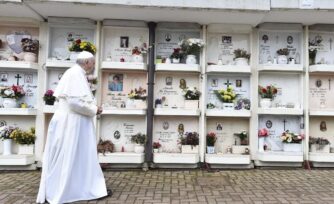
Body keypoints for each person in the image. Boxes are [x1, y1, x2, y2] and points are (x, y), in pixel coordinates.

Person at [36, 51, 112, 204]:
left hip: (72, 122)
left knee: (75, 157)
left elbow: (76, 100)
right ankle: (69, 190)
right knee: (69, 156)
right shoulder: (76, 74)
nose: (94, 65)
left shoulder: (75, 73)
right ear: (86, 62)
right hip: (71, 124)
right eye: (92, 62)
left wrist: (92, 107)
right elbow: (74, 103)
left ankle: (78, 188)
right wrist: (94, 109)